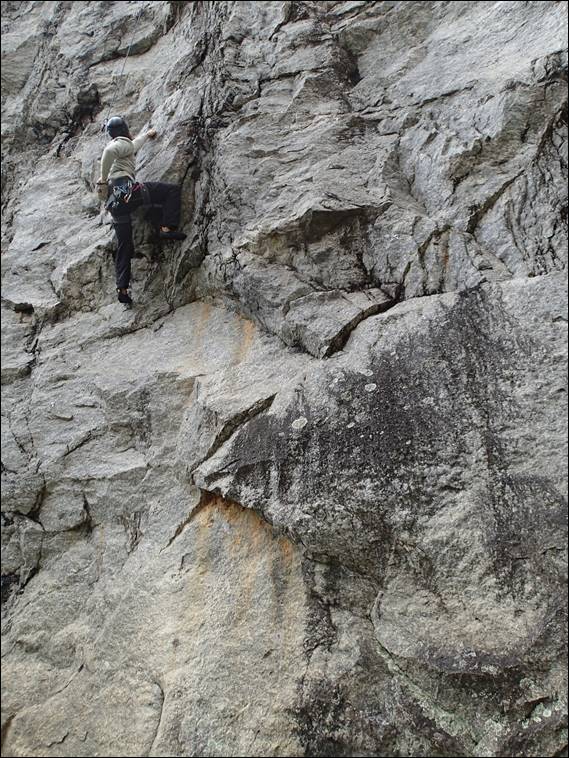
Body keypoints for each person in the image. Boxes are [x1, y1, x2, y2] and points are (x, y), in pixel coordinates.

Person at [96, 116, 186, 306]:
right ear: (124, 130)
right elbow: (111, 151)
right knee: (171, 191)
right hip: (127, 191)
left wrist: (146, 135)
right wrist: (102, 178)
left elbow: (133, 146)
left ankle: (122, 288)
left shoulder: (122, 146)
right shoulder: (118, 145)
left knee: (125, 245)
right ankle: (166, 228)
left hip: (114, 201)